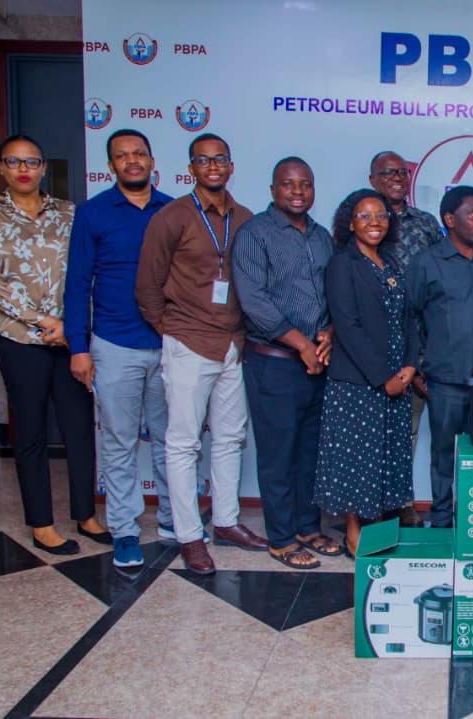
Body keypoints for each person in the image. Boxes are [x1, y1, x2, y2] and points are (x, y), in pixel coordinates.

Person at [136, 133, 267, 575]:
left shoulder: (245, 218)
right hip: (189, 341)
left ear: (231, 166)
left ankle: (226, 521)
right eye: (204, 160)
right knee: (183, 443)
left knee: (230, 437)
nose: (213, 167)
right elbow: (148, 286)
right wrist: (172, 332)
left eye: (220, 159)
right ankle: (190, 535)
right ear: (190, 168)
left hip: (234, 342)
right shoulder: (171, 216)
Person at [0, 134, 106, 555]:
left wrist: (71, 327)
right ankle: (42, 524)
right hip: (20, 339)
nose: (23, 169)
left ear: (43, 167)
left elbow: (85, 271)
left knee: (79, 428)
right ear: (2, 167)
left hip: (69, 340)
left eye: (31, 162)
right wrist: (43, 320)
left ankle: (85, 514)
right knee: (30, 432)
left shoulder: (68, 213)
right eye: (14, 162)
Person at [63, 129, 174, 568]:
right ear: (111, 165)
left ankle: (173, 520)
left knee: (172, 441)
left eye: (139, 153)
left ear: (152, 160)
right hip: (113, 345)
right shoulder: (92, 213)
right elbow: (77, 283)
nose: (132, 161)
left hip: (169, 345)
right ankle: (125, 529)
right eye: (123, 156)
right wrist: (78, 346)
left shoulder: (174, 210)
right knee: (119, 442)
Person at [232, 157, 341, 569]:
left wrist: (328, 333)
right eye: (288, 184)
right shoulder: (254, 234)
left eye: (305, 184)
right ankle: (280, 537)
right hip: (274, 362)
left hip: (318, 363)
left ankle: (307, 527)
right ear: (273, 189)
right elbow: (254, 301)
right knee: (278, 454)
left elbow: (334, 292)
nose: (298, 191)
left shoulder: (322, 236)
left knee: (310, 453)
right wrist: (302, 345)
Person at [315, 188, 419, 556]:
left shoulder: (391, 262)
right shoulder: (342, 264)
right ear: (350, 223)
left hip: (397, 378)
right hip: (359, 382)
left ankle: (378, 524)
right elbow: (348, 325)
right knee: (357, 460)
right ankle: (353, 527)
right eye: (365, 216)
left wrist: (409, 366)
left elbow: (409, 318)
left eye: (381, 216)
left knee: (387, 456)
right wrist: (383, 377)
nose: (374, 222)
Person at [407, 186, 473, 528]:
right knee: (444, 454)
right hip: (445, 379)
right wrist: (417, 365)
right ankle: (442, 520)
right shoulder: (426, 263)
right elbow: (410, 317)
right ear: (450, 219)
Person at [368, 150, 444, 527]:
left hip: (433, 346)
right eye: (388, 172)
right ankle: (397, 504)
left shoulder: (426, 223)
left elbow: (444, 276)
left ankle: (443, 508)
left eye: (402, 172)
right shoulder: (365, 221)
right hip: (385, 349)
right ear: (373, 180)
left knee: (444, 435)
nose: (397, 178)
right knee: (399, 434)